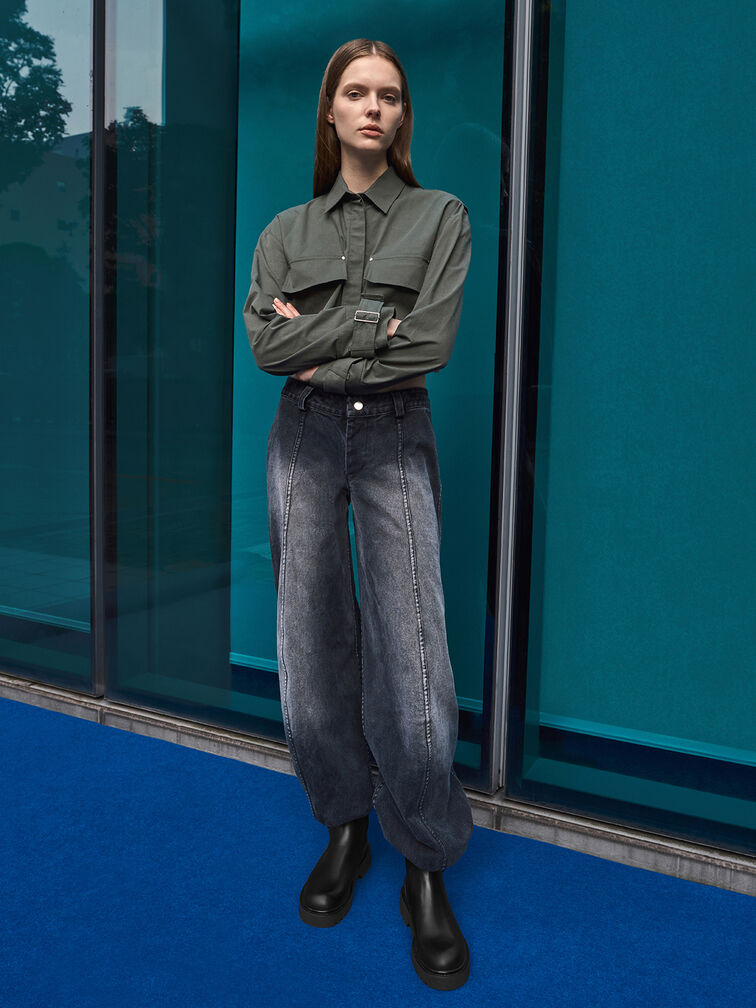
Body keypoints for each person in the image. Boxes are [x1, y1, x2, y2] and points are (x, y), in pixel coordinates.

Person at [242, 38, 474, 991]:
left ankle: (425, 859)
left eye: (388, 95)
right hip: (299, 435)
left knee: (414, 655)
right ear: (331, 113)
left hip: (394, 435)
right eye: (355, 93)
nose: (372, 108)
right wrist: (371, 325)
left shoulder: (442, 215)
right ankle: (344, 826)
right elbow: (264, 347)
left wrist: (320, 333)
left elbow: (431, 343)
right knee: (306, 645)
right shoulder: (282, 229)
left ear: (401, 117)